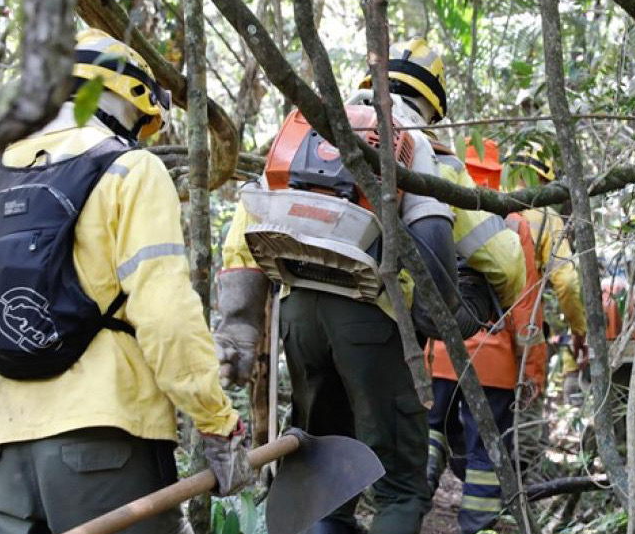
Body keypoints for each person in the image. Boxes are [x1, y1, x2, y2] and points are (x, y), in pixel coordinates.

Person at [0, 29, 251, 534]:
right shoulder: (130, 171)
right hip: (108, 441)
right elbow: (164, 314)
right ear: (126, 100)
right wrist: (217, 423)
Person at [216, 38, 522, 534]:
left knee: (322, 464)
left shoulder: (313, 132)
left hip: (298, 318)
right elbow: (504, 263)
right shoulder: (427, 152)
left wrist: (238, 327)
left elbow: (243, 235)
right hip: (373, 321)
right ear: (433, 104)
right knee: (400, 485)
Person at [424, 141, 546, 534]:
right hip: (495, 363)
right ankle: (477, 525)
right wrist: (533, 369)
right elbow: (524, 303)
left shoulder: (436, 207)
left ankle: (410, 506)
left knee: (431, 431)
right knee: (485, 450)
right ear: (499, 176)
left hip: (440, 352)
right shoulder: (513, 222)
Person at [500, 144, 588, 403]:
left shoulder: (482, 195)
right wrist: (578, 330)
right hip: (523, 326)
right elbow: (568, 282)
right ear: (545, 177)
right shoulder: (547, 216)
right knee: (525, 406)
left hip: (474, 325)